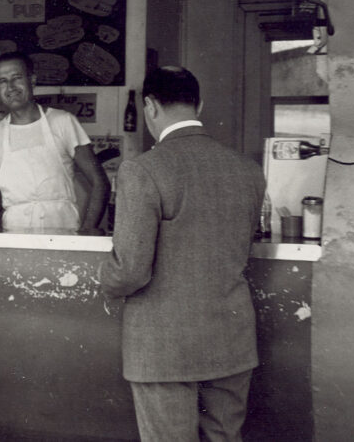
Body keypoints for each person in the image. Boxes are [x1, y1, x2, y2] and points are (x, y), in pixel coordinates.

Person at [99, 66, 265, 442]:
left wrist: (103, 279)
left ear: (150, 107)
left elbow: (130, 271)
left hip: (164, 348)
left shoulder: (143, 170)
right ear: (199, 104)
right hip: (231, 342)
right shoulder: (249, 171)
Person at [0, 51, 108, 234]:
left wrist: (89, 228)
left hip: (63, 229)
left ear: (32, 80)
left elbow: (99, 181)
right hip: (14, 234)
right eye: (3, 81)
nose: (11, 87)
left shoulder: (63, 122)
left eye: (17, 77)